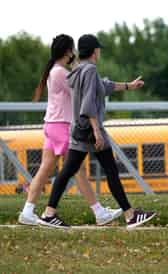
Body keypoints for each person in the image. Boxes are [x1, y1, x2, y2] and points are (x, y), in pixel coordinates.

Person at [38, 34, 156, 230]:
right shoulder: (90, 70)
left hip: (78, 130)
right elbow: (88, 104)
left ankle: (49, 213)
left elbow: (103, 87)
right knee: (111, 171)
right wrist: (97, 130)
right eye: (98, 49)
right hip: (91, 132)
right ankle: (130, 215)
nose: (99, 51)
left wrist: (128, 86)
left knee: (67, 171)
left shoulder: (77, 70)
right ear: (94, 51)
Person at [18, 34, 122, 227]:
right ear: (68, 51)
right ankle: (98, 212)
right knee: (78, 170)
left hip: (51, 125)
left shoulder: (55, 71)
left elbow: (78, 81)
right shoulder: (60, 73)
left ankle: (28, 211)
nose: (74, 53)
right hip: (62, 126)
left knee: (46, 169)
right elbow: (81, 88)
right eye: (72, 50)